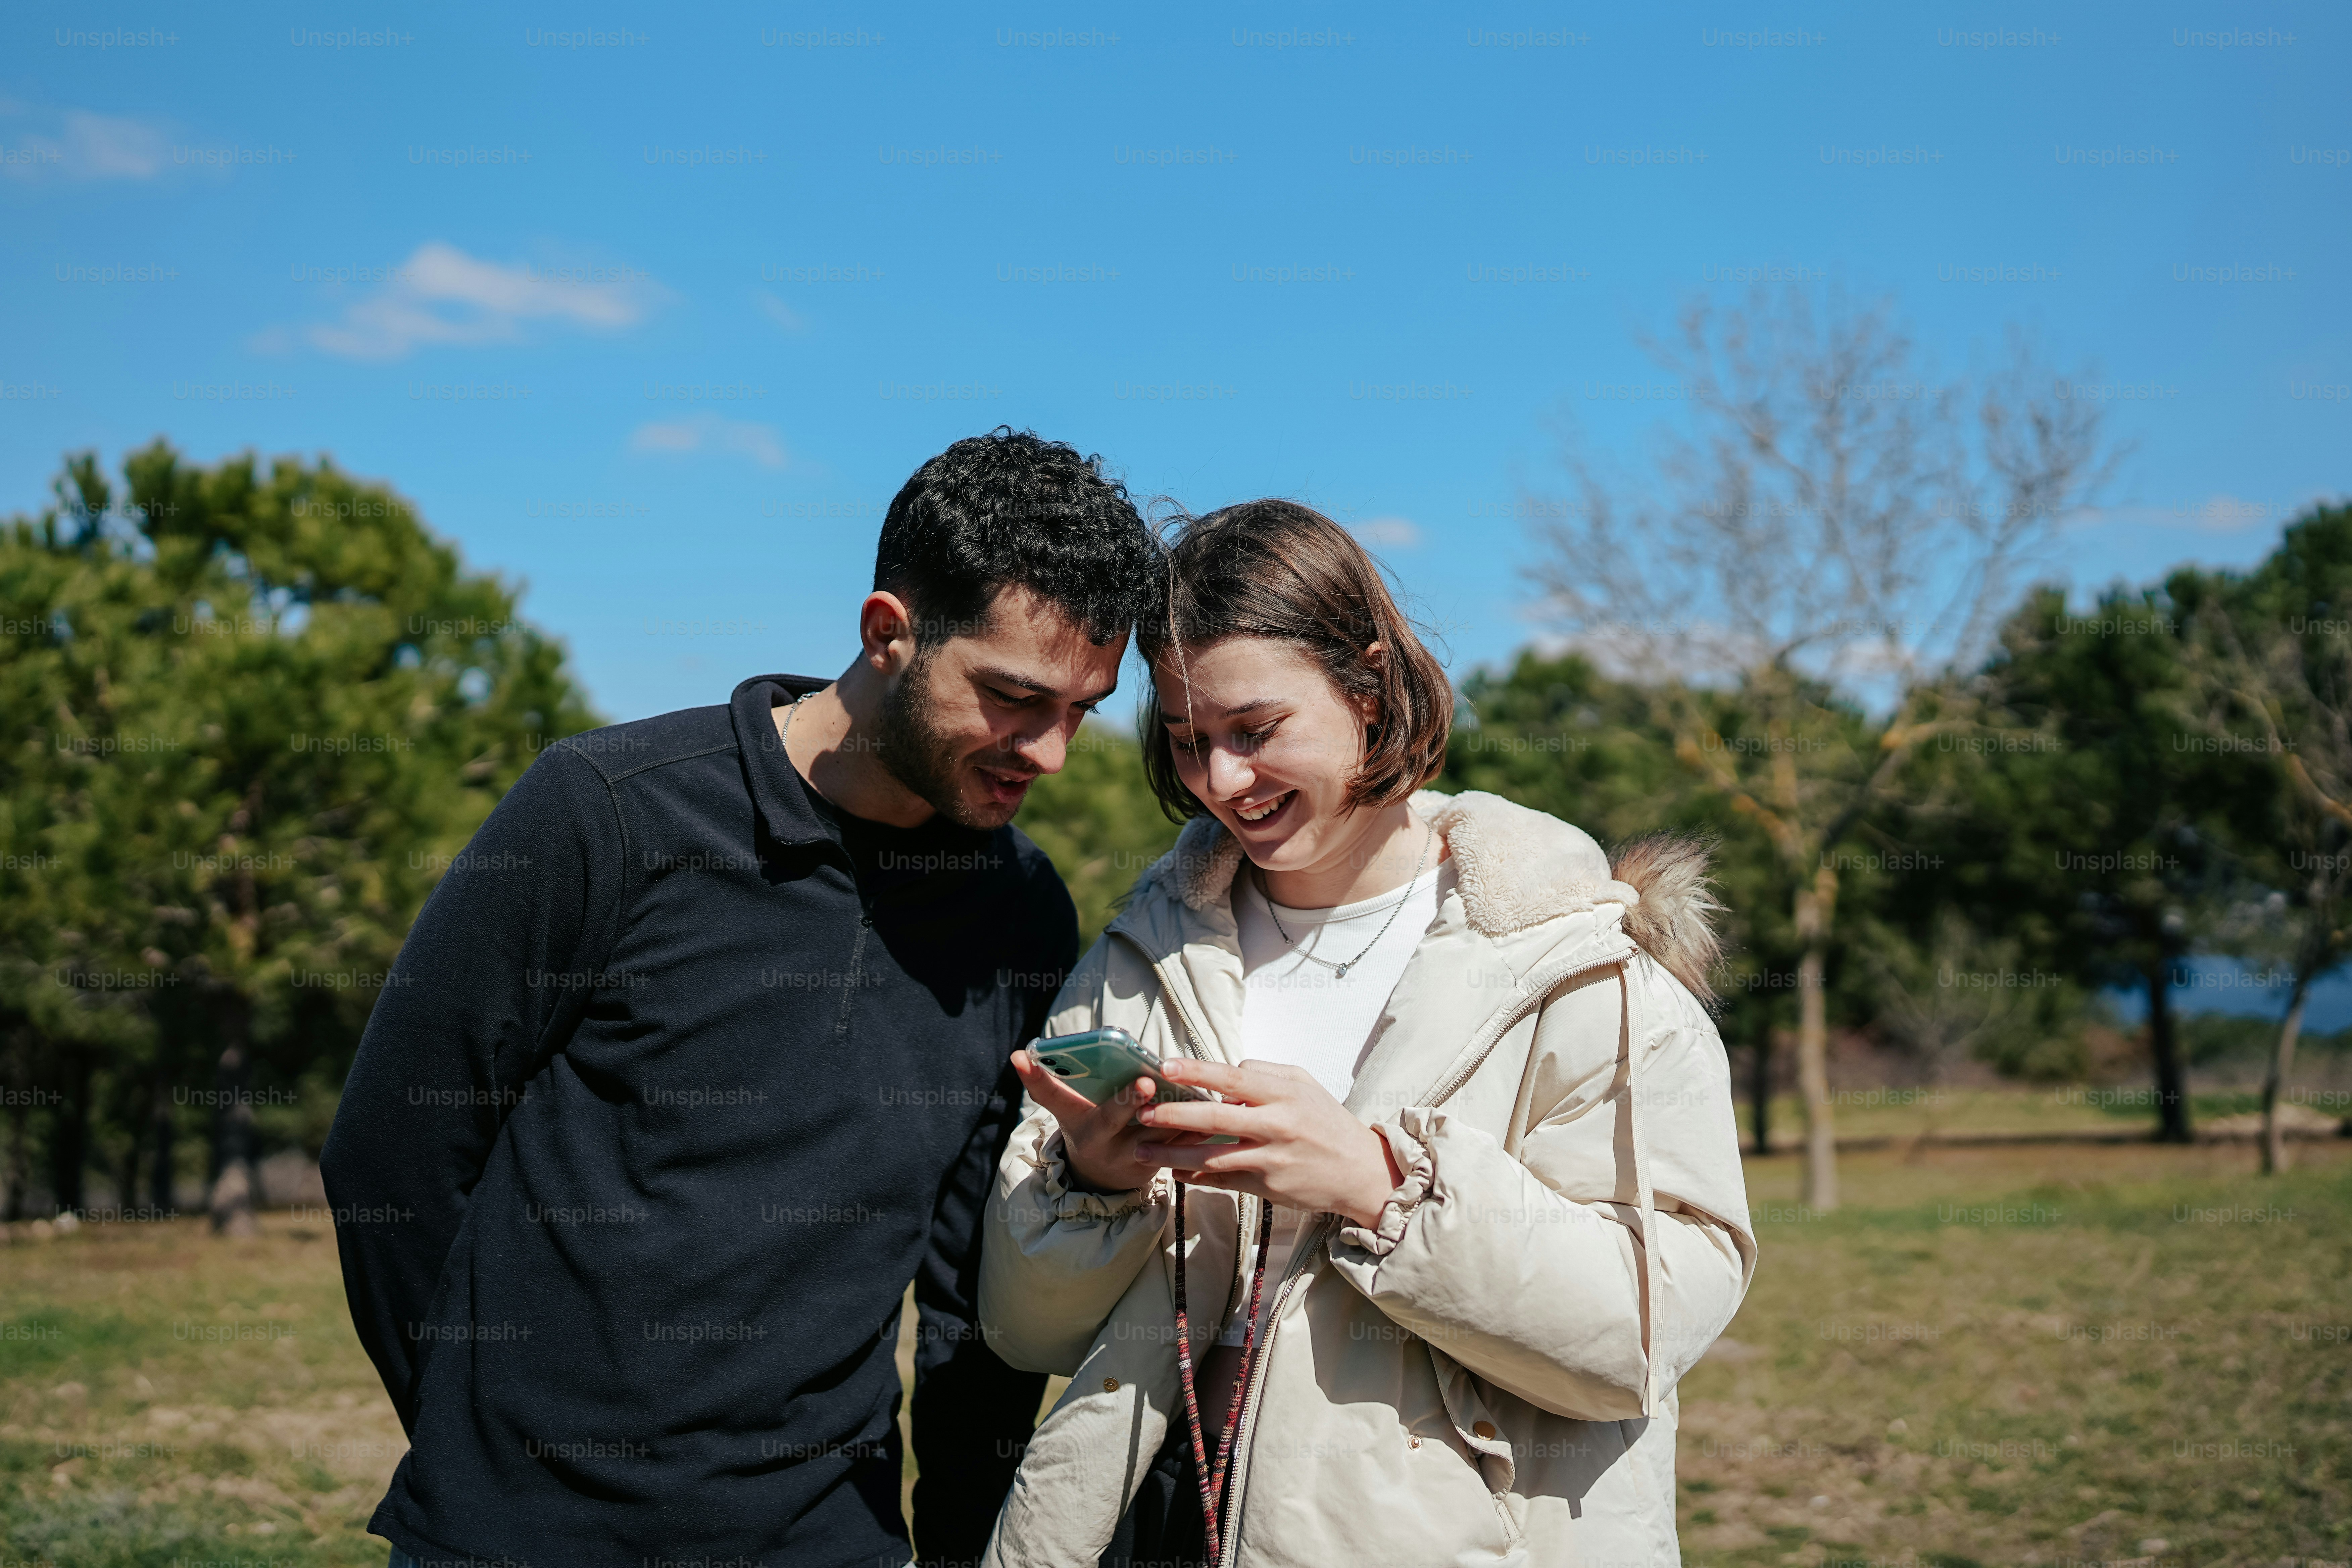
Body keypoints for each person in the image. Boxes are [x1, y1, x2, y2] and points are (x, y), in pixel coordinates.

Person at [321, 429, 1164, 1568]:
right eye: (1016, 699)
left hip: (830, 1541)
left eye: (1083, 709)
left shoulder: (1020, 914)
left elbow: (969, 1288)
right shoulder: (607, 813)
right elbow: (394, 1151)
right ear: (888, 633)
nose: (1052, 753)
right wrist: (478, 1447)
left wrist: (961, 1544)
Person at [976, 499, 1757, 1567]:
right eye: (1188, 741)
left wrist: (1380, 1186)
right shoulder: (1135, 961)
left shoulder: (1579, 968)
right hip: (1158, 1526)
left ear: (1369, 678)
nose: (1221, 782)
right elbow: (1028, 1332)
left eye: (1256, 731)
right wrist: (1096, 1181)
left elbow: (1637, 1335)